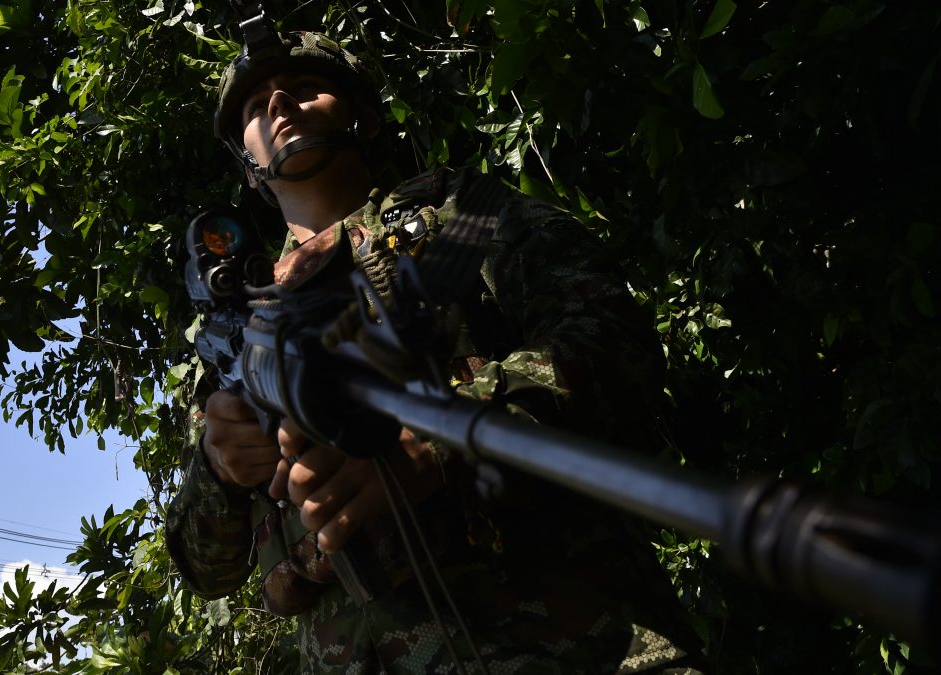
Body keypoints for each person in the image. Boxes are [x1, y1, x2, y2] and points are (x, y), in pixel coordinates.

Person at [166, 26, 704, 675]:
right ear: (246, 163)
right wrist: (219, 469)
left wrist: (444, 436)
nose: (279, 104)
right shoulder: (240, 325)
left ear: (361, 115)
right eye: (256, 107)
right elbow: (206, 569)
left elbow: (620, 348)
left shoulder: (461, 218)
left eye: (304, 87)